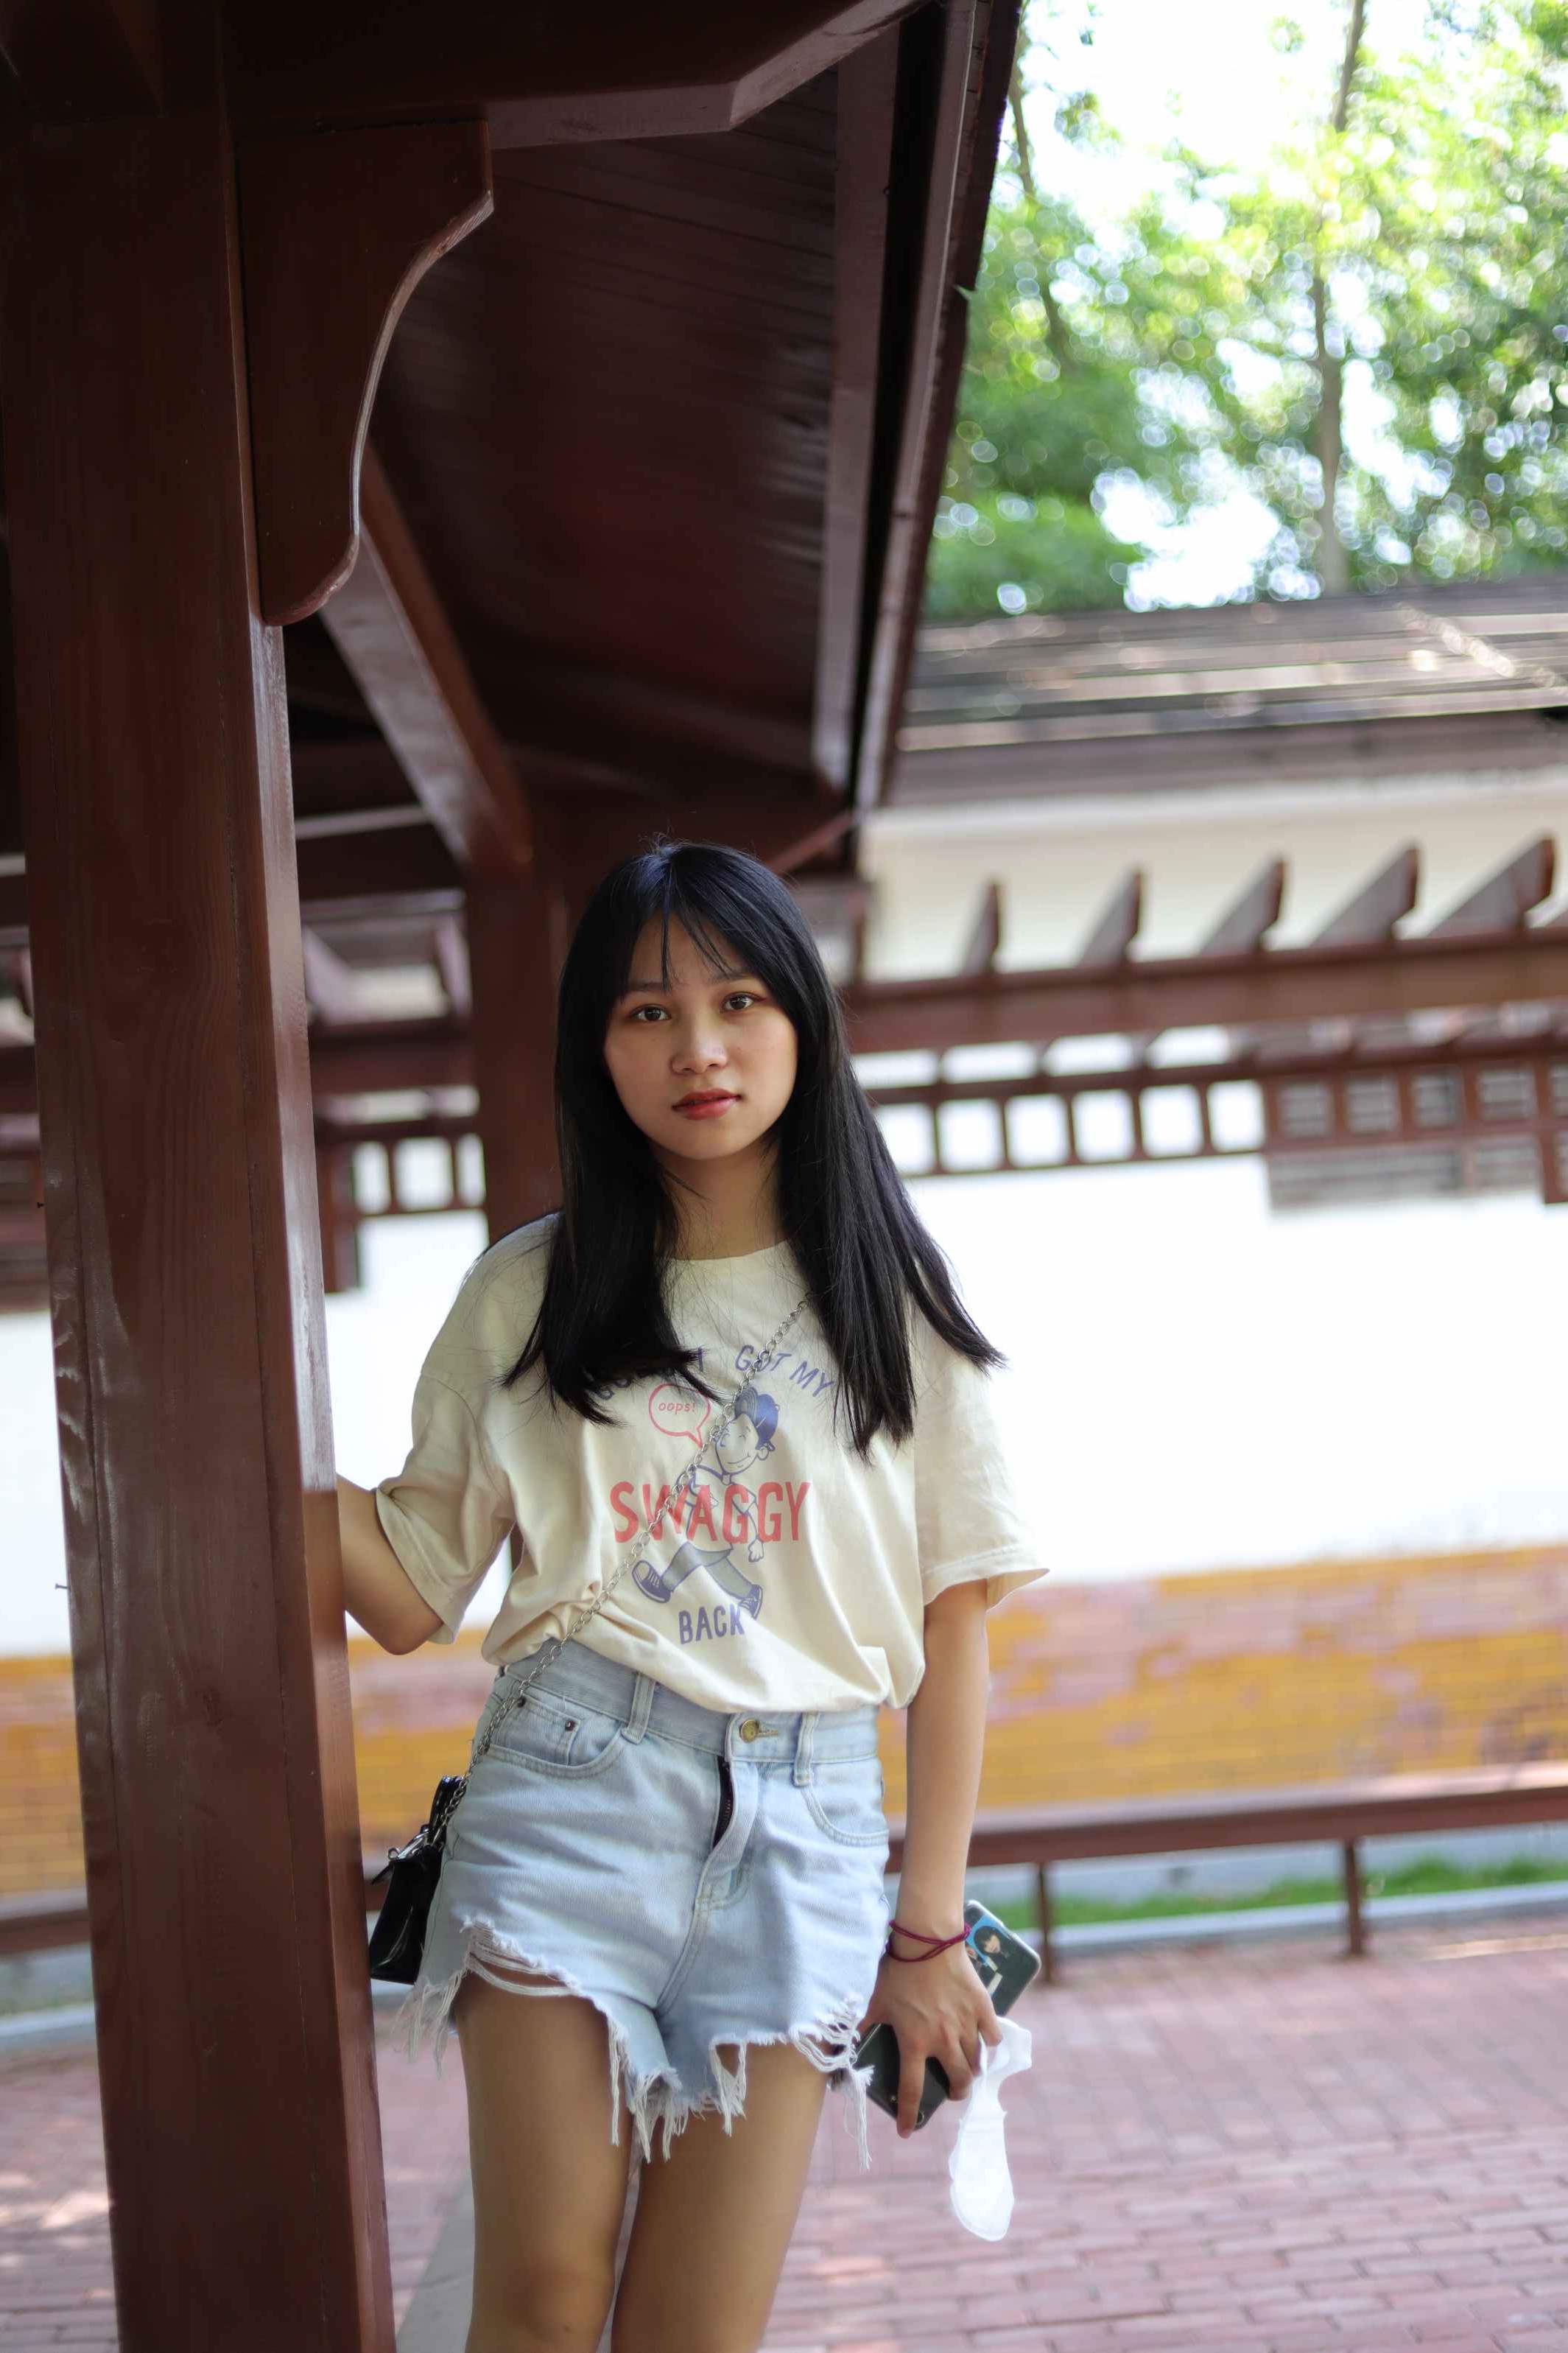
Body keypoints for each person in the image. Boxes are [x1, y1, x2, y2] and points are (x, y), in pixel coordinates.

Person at [334, 839, 1047, 2353]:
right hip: (568, 1795)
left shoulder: (894, 1306)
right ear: (597, 1048)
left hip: (808, 1830)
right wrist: (240, 1450)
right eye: (647, 1012)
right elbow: (407, 1587)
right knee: (541, 2297)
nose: (699, 1049)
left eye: (738, 1002)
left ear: (803, 1019)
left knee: (696, 2331)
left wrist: (927, 1931)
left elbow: (954, 1629)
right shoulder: (529, 1292)